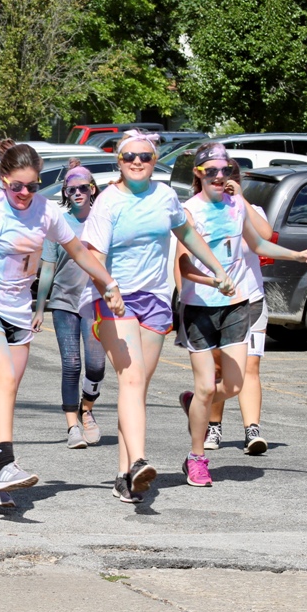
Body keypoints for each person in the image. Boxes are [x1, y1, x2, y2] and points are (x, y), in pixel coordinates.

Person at [0, 144, 124, 507]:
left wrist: (108, 284)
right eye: (16, 186)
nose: (24, 193)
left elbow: (79, 251)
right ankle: (6, 464)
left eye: (31, 186)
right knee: (4, 381)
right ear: (4, 180)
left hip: (19, 312)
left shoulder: (46, 212)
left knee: (5, 392)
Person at [82, 129, 235, 503]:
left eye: (145, 157)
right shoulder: (108, 203)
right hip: (115, 300)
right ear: (119, 161)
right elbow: (92, 257)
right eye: (129, 156)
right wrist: (108, 287)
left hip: (154, 300)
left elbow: (188, 233)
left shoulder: (165, 196)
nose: (137, 162)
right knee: (132, 380)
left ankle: (125, 477)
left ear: (154, 162)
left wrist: (217, 270)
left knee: (136, 389)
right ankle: (138, 460)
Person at [175, 142, 307, 485]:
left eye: (225, 170)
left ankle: (196, 403)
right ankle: (197, 458)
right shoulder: (188, 211)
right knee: (207, 386)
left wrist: (296, 255)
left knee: (235, 385)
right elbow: (184, 266)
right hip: (199, 307)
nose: (219, 176)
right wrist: (213, 279)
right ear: (198, 173)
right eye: (211, 171)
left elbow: (258, 244)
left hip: (237, 305)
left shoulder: (237, 205)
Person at [196, 159, 273, 453]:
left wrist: (241, 199)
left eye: (229, 176)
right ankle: (213, 427)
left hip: (251, 298)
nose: (223, 181)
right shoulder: (200, 210)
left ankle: (252, 430)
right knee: (219, 368)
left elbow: (265, 236)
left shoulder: (250, 209)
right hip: (216, 301)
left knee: (250, 365)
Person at [33, 161, 106, 449]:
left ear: (92, 190)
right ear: (65, 192)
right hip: (64, 301)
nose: (77, 193)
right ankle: (72, 426)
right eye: (71, 189)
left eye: (83, 188)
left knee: (96, 366)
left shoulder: (102, 222)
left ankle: (86, 408)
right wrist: (40, 308)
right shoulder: (58, 224)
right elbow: (47, 268)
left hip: (95, 302)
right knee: (71, 364)